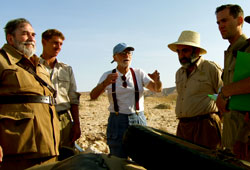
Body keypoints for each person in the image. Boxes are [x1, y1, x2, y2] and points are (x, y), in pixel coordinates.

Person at [0, 18, 60, 170]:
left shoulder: (39, 65)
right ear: (10, 38)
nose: (31, 38)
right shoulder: (2, 61)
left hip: (48, 146)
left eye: (33, 35)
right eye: (25, 34)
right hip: (19, 149)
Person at [90, 42, 162, 158]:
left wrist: (157, 81)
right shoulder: (108, 75)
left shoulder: (139, 73)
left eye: (129, 53)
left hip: (138, 119)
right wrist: (105, 83)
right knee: (118, 158)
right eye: (122, 53)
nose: (126, 56)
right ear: (115, 57)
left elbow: (156, 89)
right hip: (117, 120)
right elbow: (93, 96)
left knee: (141, 157)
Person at [167, 30, 223, 149]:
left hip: (205, 127)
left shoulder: (211, 69)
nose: (181, 55)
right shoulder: (179, 73)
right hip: (183, 127)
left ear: (196, 50)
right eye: (179, 51)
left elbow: (224, 95)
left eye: (185, 51)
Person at [215, 4, 250, 160]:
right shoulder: (231, 52)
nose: (221, 26)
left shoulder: (248, 48)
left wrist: (224, 92)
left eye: (224, 20)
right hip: (231, 134)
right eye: (218, 23)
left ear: (239, 20)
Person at [40, 29, 81, 158]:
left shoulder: (66, 69)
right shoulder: (32, 66)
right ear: (43, 42)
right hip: (42, 118)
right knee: (45, 156)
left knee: (66, 156)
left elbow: (73, 98)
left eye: (61, 44)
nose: (58, 47)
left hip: (64, 120)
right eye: (55, 43)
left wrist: (76, 124)